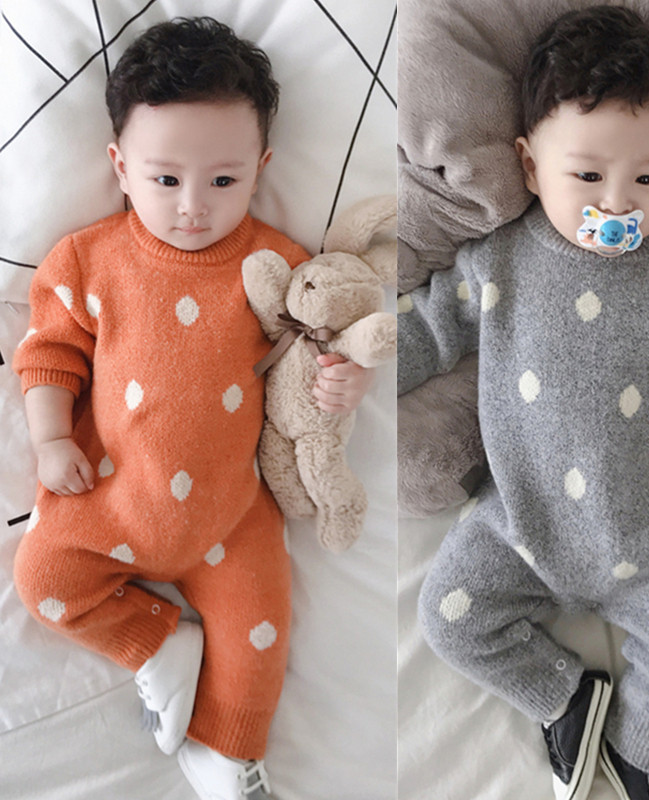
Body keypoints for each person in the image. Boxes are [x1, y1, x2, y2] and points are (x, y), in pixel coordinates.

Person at [397, 6, 649, 800]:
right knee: (448, 619)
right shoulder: (500, 262)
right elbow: (430, 329)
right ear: (528, 164)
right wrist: (358, 358)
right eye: (587, 177)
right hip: (522, 522)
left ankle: (645, 754)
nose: (618, 204)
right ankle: (567, 700)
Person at [13, 17, 372, 800]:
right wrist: (49, 438)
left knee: (260, 629)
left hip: (230, 515)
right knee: (42, 578)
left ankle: (228, 751)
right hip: (109, 494)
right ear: (120, 166)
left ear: (261, 169)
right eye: (166, 180)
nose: (193, 208)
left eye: (223, 182)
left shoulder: (274, 266)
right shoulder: (88, 259)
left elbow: (317, 349)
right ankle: (155, 643)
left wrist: (345, 383)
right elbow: (47, 353)